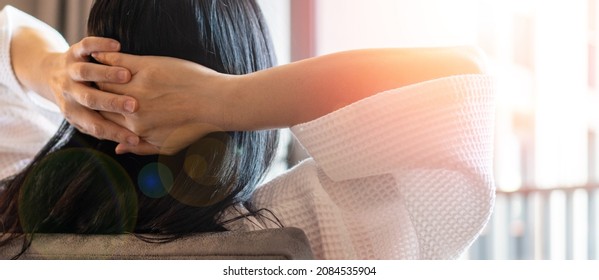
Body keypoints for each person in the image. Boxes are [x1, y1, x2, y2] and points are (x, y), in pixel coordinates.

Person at [0, 0, 496, 259]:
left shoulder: (27, 214)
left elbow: (7, 38)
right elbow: (462, 77)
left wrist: (52, 71)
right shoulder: (306, 230)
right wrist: (223, 98)